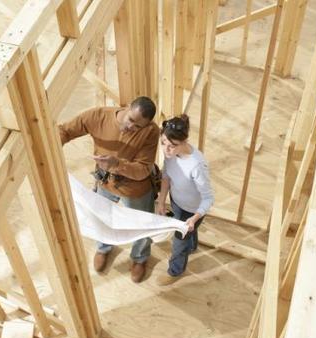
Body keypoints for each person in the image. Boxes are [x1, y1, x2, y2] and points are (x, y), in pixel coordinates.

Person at [59, 96, 160, 283]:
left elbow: (143, 169)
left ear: (146, 125)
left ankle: (140, 258)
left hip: (134, 187)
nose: (132, 128)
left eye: (138, 126)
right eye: (131, 120)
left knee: (141, 224)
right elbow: (65, 130)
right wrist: (53, 146)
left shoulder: (151, 132)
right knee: (101, 216)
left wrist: (117, 165)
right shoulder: (98, 116)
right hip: (105, 182)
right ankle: (104, 246)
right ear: (127, 107)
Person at [155, 114, 214, 286]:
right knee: (189, 234)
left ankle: (175, 271)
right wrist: (161, 201)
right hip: (177, 201)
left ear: (184, 141)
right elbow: (166, 176)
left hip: (193, 209)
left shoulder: (196, 166)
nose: (166, 150)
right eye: (163, 142)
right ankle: (192, 246)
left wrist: (194, 218)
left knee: (179, 243)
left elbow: (209, 198)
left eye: (172, 146)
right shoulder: (170, 153)